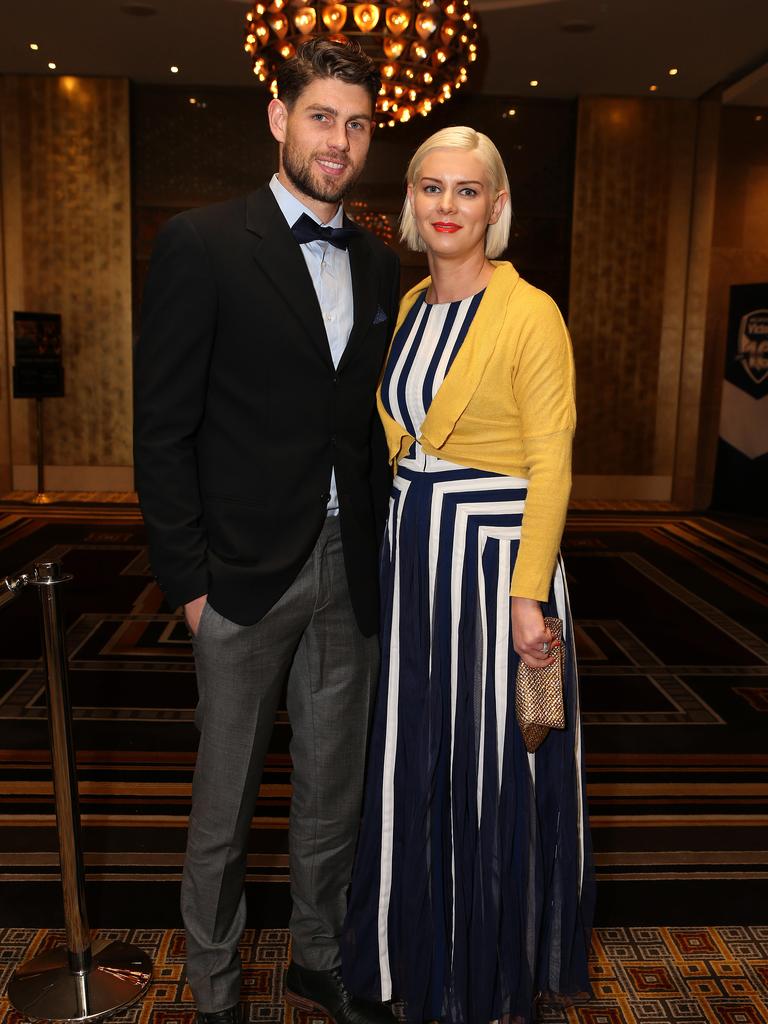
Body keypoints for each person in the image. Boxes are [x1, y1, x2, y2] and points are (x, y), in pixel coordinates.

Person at [133, 39, 400, 1024]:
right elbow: (162, 427)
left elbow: (365, 422)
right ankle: (213, 993)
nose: (339, 140)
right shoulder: (202, 242)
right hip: (240, 574)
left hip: (347, 569)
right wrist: (188, 583)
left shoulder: (378, 257)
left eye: (358, 123)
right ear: (279, 117)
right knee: (224, 808)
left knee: (331, 796)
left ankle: (315, 957)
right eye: (322, 116)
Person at [341, 127, 594, 1024]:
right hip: (416, 555)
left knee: (491, 773)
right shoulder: (409, 307)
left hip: (495, 565)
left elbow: (552, 463)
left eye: (468, 191)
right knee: (419, 756)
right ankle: (415, 955)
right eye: (432, 188)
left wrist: (529, 595)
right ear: (411, 201)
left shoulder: (532, 313)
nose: (448, 206)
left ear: (497, 204)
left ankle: (485, 978)